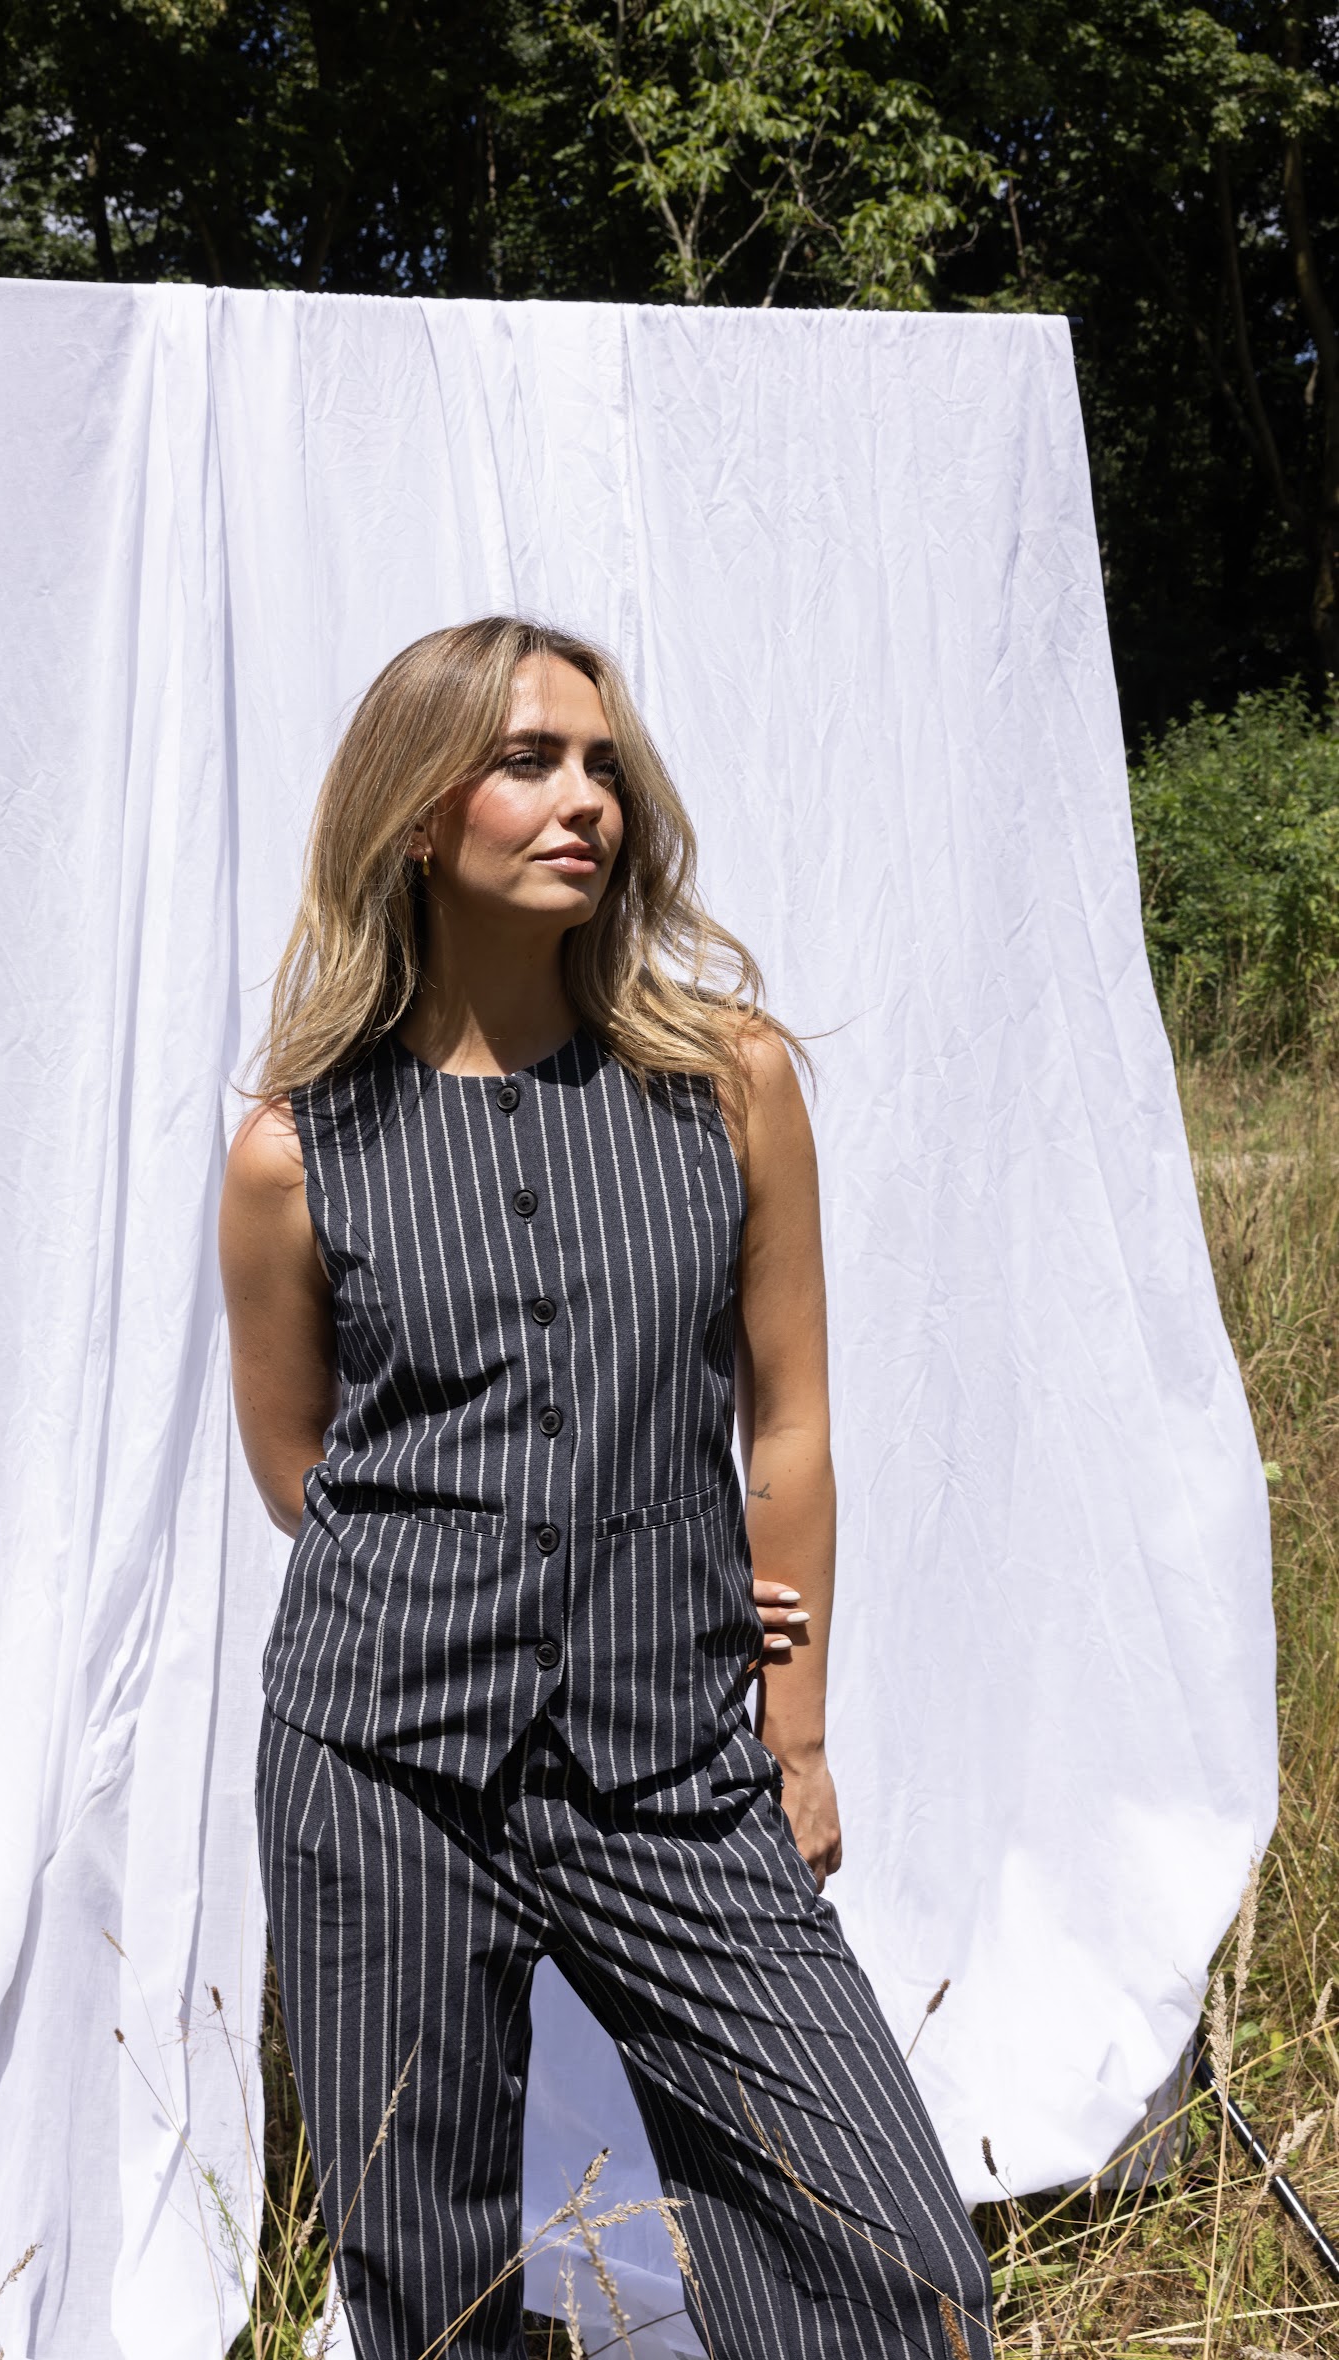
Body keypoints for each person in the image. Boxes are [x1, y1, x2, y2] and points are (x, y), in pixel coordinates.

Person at [219, 617, 993, 2360]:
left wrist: (793, 1733)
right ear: (415, 812)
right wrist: (492, 1571)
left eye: (602, 767)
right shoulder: (293, 1150)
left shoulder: (725, 1083)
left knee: (893, 2262)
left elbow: (786, 1426)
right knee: (432, 2291)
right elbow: (299, 1469)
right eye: (528, 761)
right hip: (378, 1770)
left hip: (672, 1762)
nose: (586, 799)